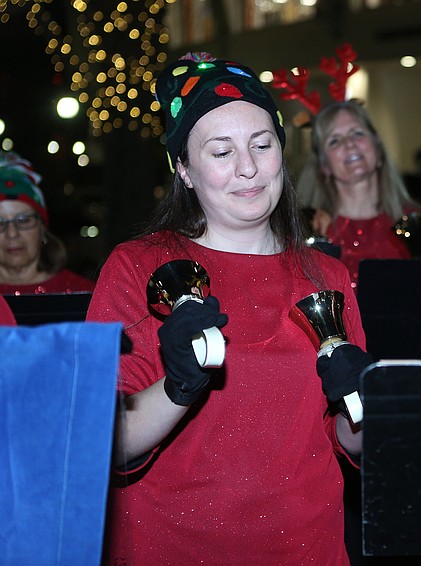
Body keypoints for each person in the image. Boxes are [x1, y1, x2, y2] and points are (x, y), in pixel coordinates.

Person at [86, 52, 372, 564]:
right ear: (185, 171)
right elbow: (106, 442)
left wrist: (365, 400)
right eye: (221, 152)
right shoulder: (138, 267)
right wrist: (176, 388)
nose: (248, 168)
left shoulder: (325, 276)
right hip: (168, 547)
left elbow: (352, 441)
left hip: (306, 546)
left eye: (261, 146)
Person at [297, 100, 421, 287]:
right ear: (324, 165)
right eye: (334, 140)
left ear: (377, 146)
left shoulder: (418, 225)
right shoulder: (308, 231)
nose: (349, 144)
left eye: (357, 133)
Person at [0, 151, 94, 295]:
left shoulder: (84, 294)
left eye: (24, 220)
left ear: (42, 228)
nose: (12, 233)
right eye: (0, 223)